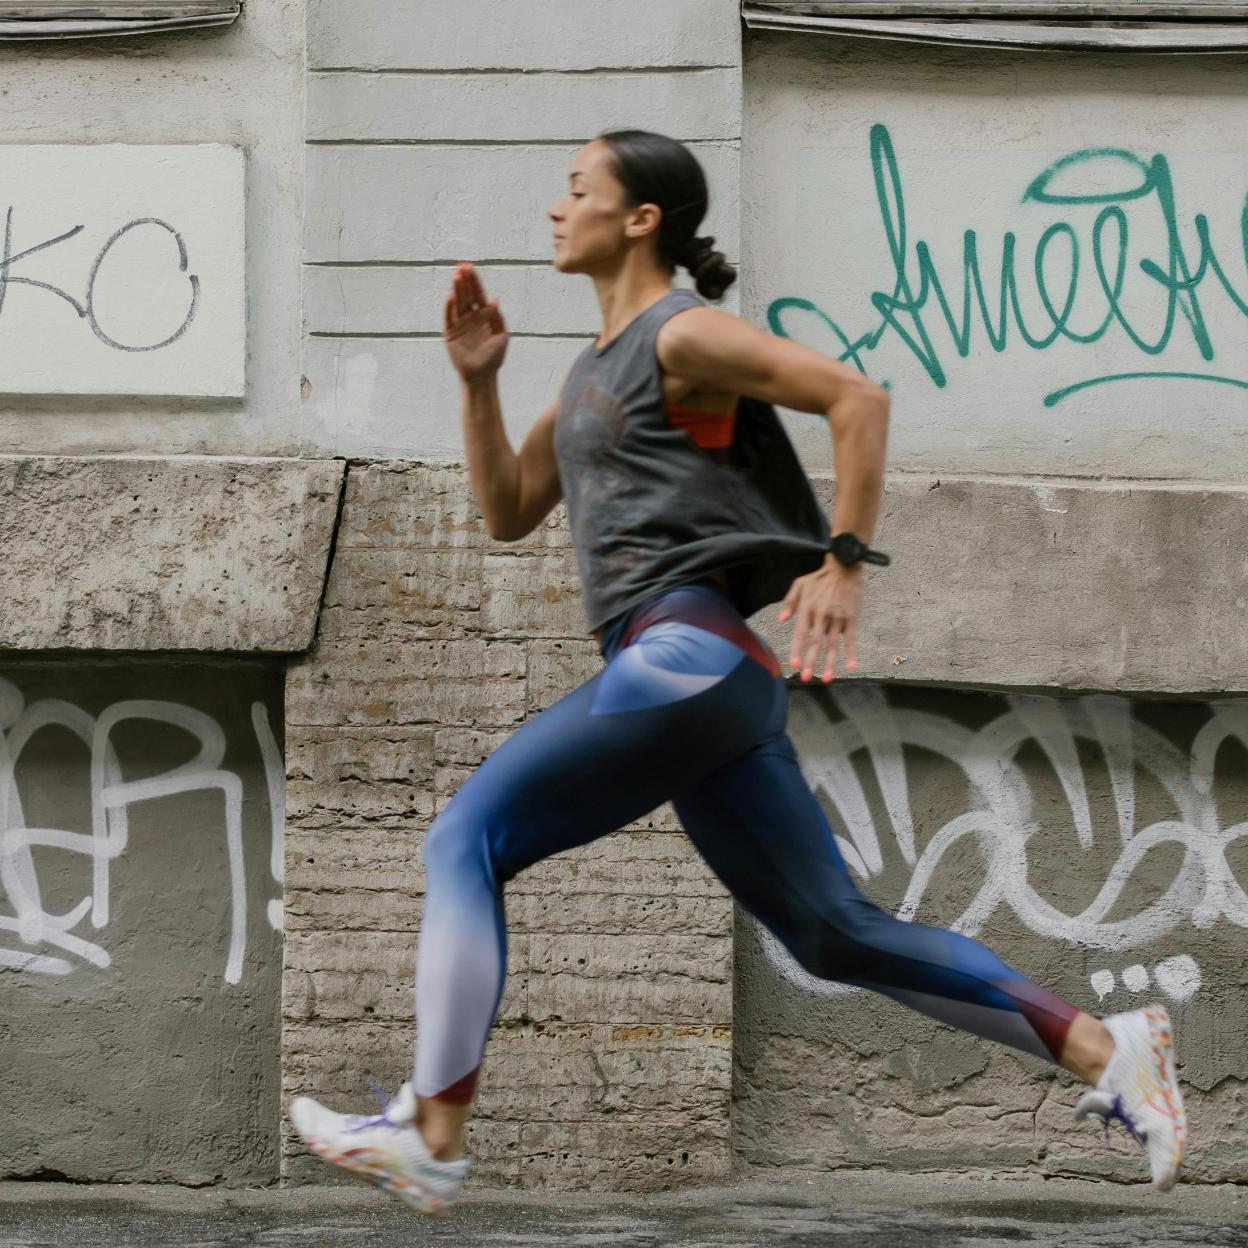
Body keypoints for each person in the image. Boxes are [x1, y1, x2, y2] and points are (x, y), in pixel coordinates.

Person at [290, 130, 1186, 1211]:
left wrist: (843, 561)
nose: (556, 209)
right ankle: (1110, 1050)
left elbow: (858, 400)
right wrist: (478, 384)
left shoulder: (681, 334)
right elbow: (509, 511)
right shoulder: (587, 374)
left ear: (640, 220)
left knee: (463, 838)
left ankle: (432, 1133)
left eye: (577, 190)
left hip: (685, 655)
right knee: (831, 932)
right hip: (713, 681)